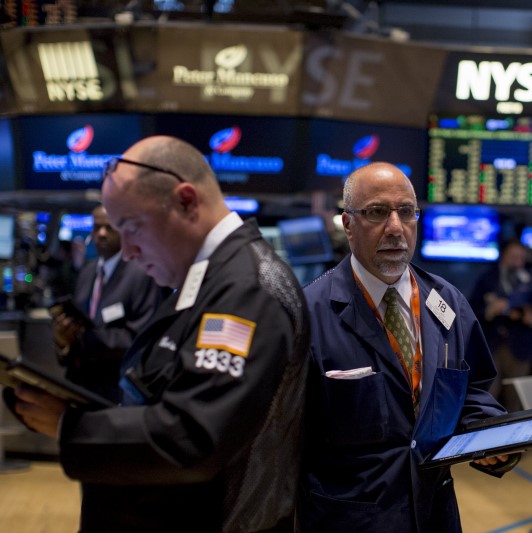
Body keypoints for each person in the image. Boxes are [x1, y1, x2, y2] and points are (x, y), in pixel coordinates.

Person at [11, 135, 310, 533]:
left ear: (186, 200)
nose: (129, 251)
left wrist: (70, 427)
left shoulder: (246, 288)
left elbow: (192, 436)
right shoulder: (207, 279)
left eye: (132, 228)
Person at [298, 162, 517, 533]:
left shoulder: (447, 302)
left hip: (434, 514)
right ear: (348, 224)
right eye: (377, 212)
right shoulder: (308, 313)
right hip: (352, 520)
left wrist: (489, 434)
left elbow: (471, 389)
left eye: (406, 212)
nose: (396, 228)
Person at [53, 204, 168, 403]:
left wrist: (85, 338)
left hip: (117, 393)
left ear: (124, 231)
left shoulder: (141, 274)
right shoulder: (87, 272)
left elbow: (141, 339)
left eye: (109, 227)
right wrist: (63, 341)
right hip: (78, 389)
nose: (102, 234)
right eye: (96, 228)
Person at [470, 239, 532, 411]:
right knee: (488, 394)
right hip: (492, 344)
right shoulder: (487, 278)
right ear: (504, 256)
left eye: (520, 257)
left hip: (521, 346)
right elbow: (472, 308)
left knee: (517, 397)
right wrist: (489, 310)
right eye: (513, 256)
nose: (517, 261)